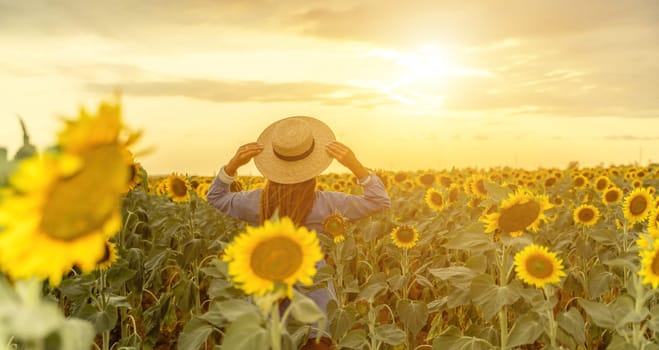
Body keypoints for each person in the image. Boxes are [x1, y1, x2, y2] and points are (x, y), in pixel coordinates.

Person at [206, 116, 390, 350]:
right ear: (313, 167)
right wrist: (355, 166)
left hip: (268, 307)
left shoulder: (256, 202)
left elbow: (215, 197)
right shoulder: (326, 204)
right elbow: (379, 202)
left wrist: (232, 166)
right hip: (316, 313)